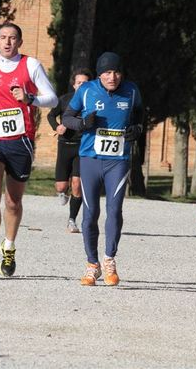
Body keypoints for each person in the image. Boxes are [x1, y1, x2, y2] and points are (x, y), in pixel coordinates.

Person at [0, 23, 58, 276]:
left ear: (19, 42)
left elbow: (51, 98)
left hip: (20, 140)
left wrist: (30, 99)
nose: (7, 42)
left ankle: (8, 247)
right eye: (3, 38)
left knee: (13, 201)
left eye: (13, 38)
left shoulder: (31, 65)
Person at [62, 52, 143, 286]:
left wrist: (137, 128)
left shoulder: (131, 90)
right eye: (107, 72)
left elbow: (139, 114)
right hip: (90, 160)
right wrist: (82, 124)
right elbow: (67, 117)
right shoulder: (86, 90)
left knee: (114, 209)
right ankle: (92, 264)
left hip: (118, 160)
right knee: (90, 214)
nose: (113, 77)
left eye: (117, 72)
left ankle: (109, 260)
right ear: (99, 74)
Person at [47, 68, 93, 233]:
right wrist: (57, 126)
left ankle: (72, 220)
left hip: (83, 146)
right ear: (74, 85)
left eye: (85, 83)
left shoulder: (94, 101)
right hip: (65, 145)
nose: (81, 86)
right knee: (61, 186)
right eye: (79, 83)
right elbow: (51, 115)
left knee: (77, 185)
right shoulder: (65, 100)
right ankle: (62, 193)